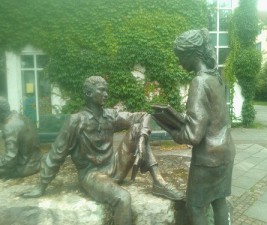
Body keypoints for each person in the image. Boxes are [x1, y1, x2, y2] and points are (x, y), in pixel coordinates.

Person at [23, 76, 184, 225]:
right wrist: (41, 186)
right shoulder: (75, 121)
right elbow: (55, 155)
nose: (106, 94)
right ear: (88, 92)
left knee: (137, 129)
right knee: (123, 198)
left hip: (114, 166)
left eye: (106, 90)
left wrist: (143, 136)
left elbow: (144, 116)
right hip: (91, 175)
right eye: (102, 90)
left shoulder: (110, 115)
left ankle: (159, 182)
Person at [155, 29, 236, 225]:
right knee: (219, 200)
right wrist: (183, 119)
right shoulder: (215, 77)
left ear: (191, 54)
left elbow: (193, 135)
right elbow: (210, 118)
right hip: (225, 152)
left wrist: (171, 129)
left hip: (208, 158)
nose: (179, 62)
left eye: (180, 56)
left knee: (195, 207)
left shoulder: (199, 82)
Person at [0, 96, 42, 178]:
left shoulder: (9, 126)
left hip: (23, 168)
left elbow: (10, 160)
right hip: (35, 162)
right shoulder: (20, 117)